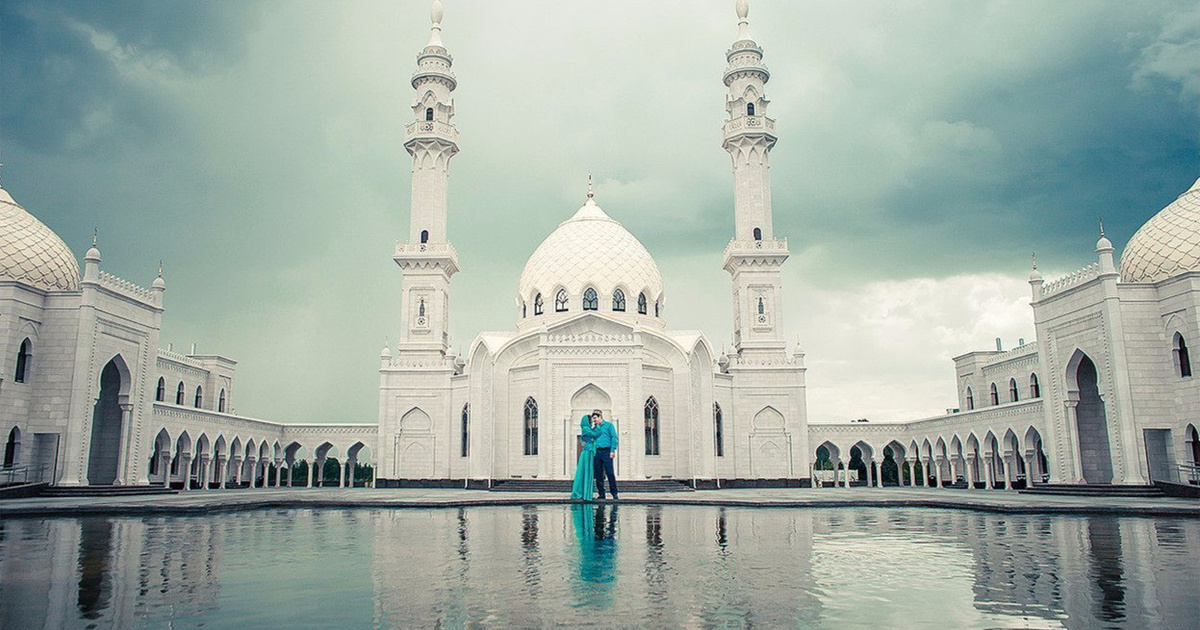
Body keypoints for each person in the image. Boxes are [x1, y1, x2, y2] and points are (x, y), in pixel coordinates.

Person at [570, 412, 600, 500]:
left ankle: (585, 493)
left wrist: (595, 427)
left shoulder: (587, 429)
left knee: (587, 472)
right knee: (587, 471)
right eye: (590, 420)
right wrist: (598, 425)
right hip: (587, 451)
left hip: (588, 451)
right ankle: (584, 494)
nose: (592, 422)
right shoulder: (586, 429)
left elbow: (593, 434)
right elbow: (596, 434)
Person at [591, 409, 619, 500]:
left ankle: (614, 493)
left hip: (607, 451)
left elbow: (614, 437)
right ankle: (601, 494)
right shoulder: (594, 428)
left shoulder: (609, 425)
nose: (594, 420)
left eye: (595, 418)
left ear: (600, 417)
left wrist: (612, 450)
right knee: (598, 474)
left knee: (610, 472)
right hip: (597, 452)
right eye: (593, 419)